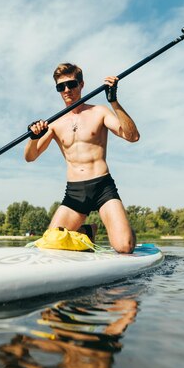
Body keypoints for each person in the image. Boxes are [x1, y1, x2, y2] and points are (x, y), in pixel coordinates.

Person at [24, 63, 139, 253]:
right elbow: (30, 157)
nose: (67, 90)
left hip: (103, 188)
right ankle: (86, 232)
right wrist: (33, 138)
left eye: (71, 84)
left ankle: (127, 232)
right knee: (52, 244)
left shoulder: (99, 111)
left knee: (124, 247)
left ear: (81, 84)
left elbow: (132, 136)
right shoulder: (54, 123)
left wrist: (114, 102)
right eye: (61, 87)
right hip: (75, 193)